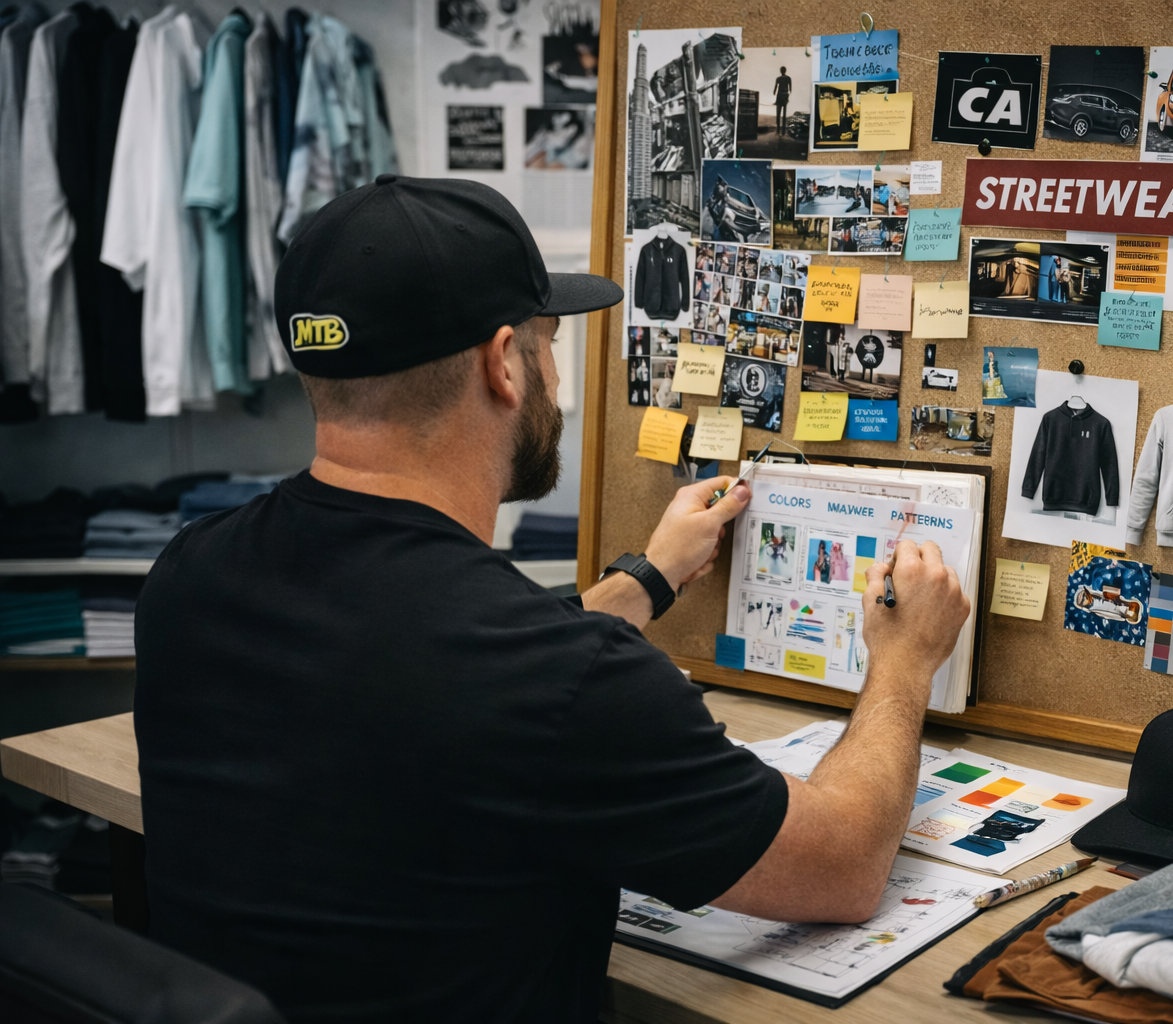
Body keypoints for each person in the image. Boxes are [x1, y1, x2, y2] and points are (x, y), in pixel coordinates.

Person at [134, 176, 971, 1024]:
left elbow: (436, 683)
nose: (556, 381)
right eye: (548, 344)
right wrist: (904, 663)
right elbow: (846, 865)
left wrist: (648, 578)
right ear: (503, 364)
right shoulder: (560, 681)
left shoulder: (190, 577)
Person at [773, 64, 792, 134]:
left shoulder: (778, 79)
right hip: (785, 96)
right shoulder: (788, 78)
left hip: (779, 96)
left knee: (778, 113)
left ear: (780, 71)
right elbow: (790, 89)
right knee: (784, 114)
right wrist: (787, 97)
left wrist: (775, 93)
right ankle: (783, 130)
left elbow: (775, 90)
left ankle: (778, 130)